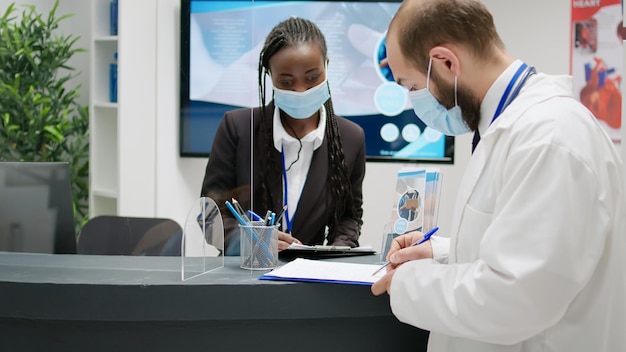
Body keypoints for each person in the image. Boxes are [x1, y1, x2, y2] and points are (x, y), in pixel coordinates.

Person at [370, 1, 626, 352]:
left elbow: (518, 298)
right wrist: (441, 252)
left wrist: (407, 283)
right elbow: (530, 248)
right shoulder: (508, 126)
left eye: (411, 85)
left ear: (446, 62)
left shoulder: (550, 138)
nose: (412, 99)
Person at [201, 17, 366, 256]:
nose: (300, 91)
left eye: (312, 78)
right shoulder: (238, 128)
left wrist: (334, 253)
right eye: (286, 82)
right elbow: (209, 215)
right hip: (245, 274)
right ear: (270, 75)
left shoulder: (351, 138)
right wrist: (253, 241)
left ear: (327, 66)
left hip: (313, 279)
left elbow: (349, 218)